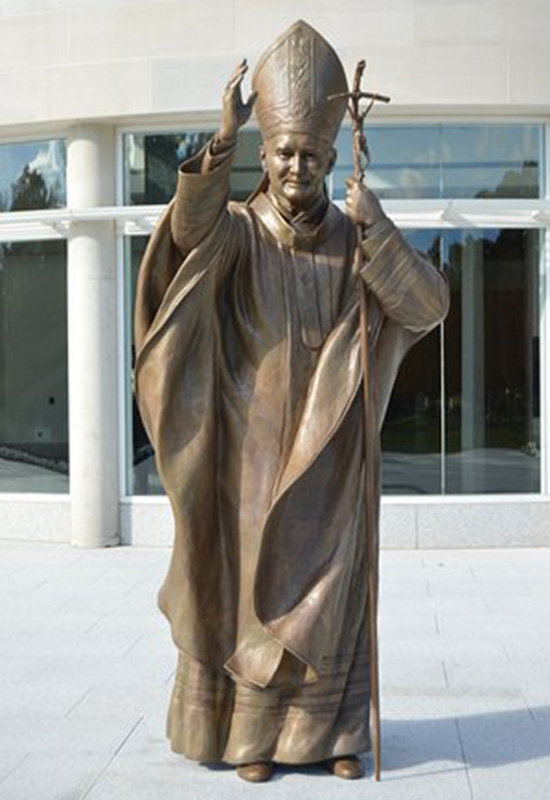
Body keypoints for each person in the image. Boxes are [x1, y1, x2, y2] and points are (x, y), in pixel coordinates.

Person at [134, 20, 449, 784]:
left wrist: (379, 229)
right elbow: (185, 233)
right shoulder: (239, 231)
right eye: (283, 151)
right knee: (252, 596)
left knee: (332, 601)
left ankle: (335, 735)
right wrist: (220, 142)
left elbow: (429, 307)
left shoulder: (354, 238)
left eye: (311, 153)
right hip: (251, 446)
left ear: (332, 156)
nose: (297, 165)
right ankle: (252, 738)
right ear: (265, 155)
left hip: (334, 450)